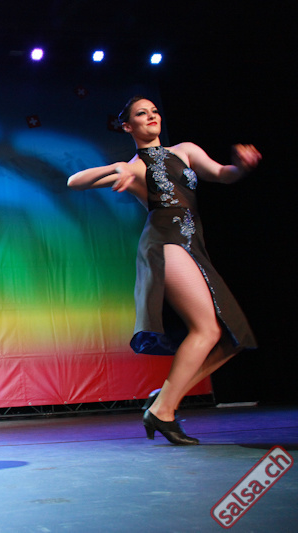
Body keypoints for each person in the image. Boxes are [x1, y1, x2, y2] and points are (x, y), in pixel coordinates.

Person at [67, 96, 261, 445]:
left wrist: (241, 167)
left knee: (231, 336)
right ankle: (163, 410)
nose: (151, 116)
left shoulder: (185, 150)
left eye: (154, 111)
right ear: (128, 126)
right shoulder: (134, 166)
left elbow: (222, 174)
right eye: (142, 114)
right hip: (165, 240)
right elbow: (74, 182)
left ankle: (164, 400)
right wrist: (115, 169)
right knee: (206, 329)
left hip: (193, 242)